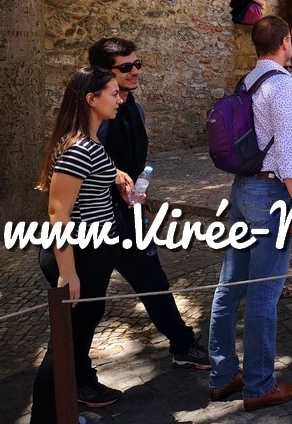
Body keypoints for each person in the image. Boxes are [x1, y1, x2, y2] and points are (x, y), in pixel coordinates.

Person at [87, 39, 210, 373]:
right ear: (103, 73)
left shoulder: (135, 110)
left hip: (129, 214)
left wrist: (141, 203)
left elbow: (136, 164)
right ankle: (75, 377)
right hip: (98, 220)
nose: (135, 72)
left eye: (138, 64)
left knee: (154, 281)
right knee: (87, 304)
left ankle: (183, 345)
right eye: (126, 67)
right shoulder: (93, 117)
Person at [208, 16, 292, 411]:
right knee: (264, 293)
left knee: (229, 285)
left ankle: (222, 375)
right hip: (270, 192)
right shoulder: (282, 83)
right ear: (284, 41)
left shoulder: (249, 80)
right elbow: (288, 148)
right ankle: (260, 384)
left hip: (243, 188)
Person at [31, 67, 129, 421]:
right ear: (91, 99)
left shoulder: (89, 143)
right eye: (113, 94)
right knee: (64, 344)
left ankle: (65, 409)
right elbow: (58, 211)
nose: (120, 100)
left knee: (75, 337)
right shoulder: (80, 148)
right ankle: (46, 418)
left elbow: (90, 176)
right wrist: (68, 272)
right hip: (78, 256)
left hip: (92, 253)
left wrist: (117, 177)